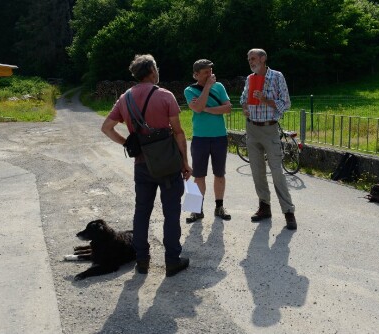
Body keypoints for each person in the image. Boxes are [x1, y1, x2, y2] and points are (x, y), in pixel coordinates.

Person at [101, 54, 192, 277]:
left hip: (142, 164)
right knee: (171, 213)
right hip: (169, 165)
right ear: (152, 71)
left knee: (142, 212)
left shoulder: (125, 98)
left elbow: (106, 127)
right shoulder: (165, 96)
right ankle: (172, 260)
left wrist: (128, 144)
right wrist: (185, 163)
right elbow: (179, 133)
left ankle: (142, 260)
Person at [240, 48, 297, 230]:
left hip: (269, 128)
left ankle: (288, 212)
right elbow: (243, 98)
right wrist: (244, 107)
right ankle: (264, 207)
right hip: (252, 128)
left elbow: (286, 103)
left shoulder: (277, 76)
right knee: (257, 172)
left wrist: (265, 100)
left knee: (277, 172)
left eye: (254, 58)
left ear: (263, 59)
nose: (251, 61)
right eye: (249, 59)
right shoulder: (250, 79)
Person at [183, 59, 232, 223]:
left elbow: (228, 108)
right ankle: (195, 210)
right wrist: (207, 89)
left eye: (211, 71)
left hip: (219, 137)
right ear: (196, 74)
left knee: (220, 174)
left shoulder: (220, 87)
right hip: (199, 138)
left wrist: (206, 109)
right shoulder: (189, 90)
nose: (210, 75)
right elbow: (196, 108)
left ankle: (219, 207)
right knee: (198, 175)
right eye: (206, 72)